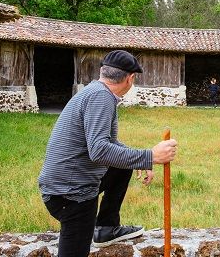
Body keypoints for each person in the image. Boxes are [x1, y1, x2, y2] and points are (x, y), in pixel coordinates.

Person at [38, 50, 178, 257]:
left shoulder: (96, 91)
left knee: (123, 166)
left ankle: (106, 228)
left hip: (63, 186)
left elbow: (110, 143)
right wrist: (150, 156)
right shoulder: (101, 97)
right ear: (130, 79)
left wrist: (139, 160)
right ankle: (103, 228)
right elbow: (99, 151)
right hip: (70, 194)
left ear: (103, 72)